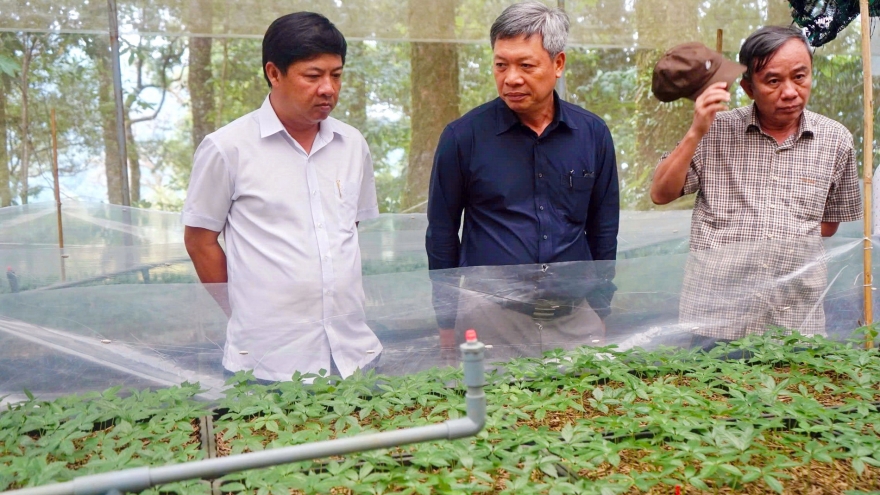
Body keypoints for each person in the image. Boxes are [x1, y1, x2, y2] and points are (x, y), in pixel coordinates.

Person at [182, 12, 381, 381]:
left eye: (336, 75)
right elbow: (199, 240)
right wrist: (242, 311)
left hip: (353, 353)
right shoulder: (227, 148)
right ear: (274, 73)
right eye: (313, 76)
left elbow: (347, 229)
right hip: (268, 363)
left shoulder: (352, 145)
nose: (328, 88)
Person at [426, 1, 619, 362]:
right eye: (501, 65)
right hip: (489, 319)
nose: (511, 78)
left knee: (585, 397)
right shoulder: (463, 137)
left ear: (558, 64)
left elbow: (603, 228)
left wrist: (600, 307)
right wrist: (446, 320)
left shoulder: (592, 134)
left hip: (575, 318)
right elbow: (441, 234)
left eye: (526, 66)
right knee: (488, 400)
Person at [650, 26, 862, 348]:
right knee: (713, 381)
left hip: (795, 317)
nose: (790, 92)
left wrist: (779, 240)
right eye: (773, 81)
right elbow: (661, 194)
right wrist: (696, 131)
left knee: (795, 382)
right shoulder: (716, 129)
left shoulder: (836, 141)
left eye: (800, 77)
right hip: (718, 315)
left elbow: (829, 225)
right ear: (749, 87)